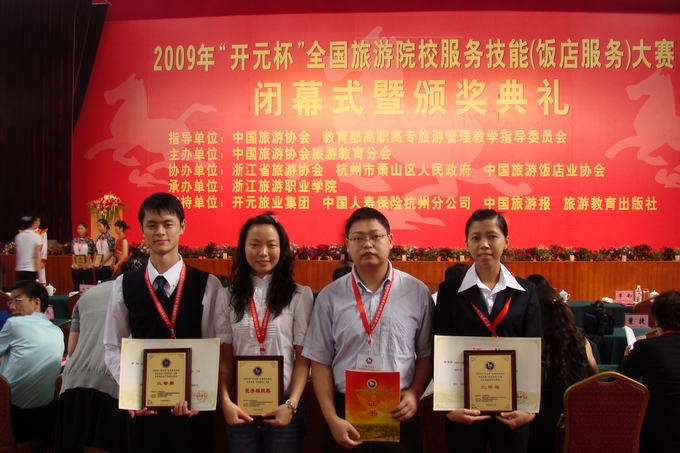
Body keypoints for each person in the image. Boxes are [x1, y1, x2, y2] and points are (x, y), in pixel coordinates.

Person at [302, 207, 435, 452]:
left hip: (399, 410)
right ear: (347, 244)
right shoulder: (329, 297)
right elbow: (319, 360)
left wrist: (415, 393)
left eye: (375, 236)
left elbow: (426, 354)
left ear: (390, 240)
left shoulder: (416, 292)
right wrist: (331, 418)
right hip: (344, 415)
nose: (367, 244)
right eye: (358, 238)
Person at [103, 192, 226, 453]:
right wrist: (132, 393)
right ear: (141, 229)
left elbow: (213, 346)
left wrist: (199, 396)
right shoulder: (124, 285)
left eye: (168, 224)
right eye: (152, 225)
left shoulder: (208, 285)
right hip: (144, 411)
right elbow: (112, 345)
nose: (160, 232)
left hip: (190, 412)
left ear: (182, 226)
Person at [433, 208, 542, 453]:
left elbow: (538, 352)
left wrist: (530, 409)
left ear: (506, 241)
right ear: (467, 243)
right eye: (476, 238)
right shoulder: (450, 291)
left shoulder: (526, 292)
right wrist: (448, 409)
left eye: (492, 236)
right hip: (465, 408)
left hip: (513, 409)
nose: (484, 244)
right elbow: (439, 348)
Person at [216, 214, 313, 453]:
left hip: (285, 408)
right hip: (241, 409)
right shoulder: (227, 296)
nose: (263, 252)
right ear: (243, 248)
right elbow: (224, 358)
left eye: (271, 245)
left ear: (282, 249)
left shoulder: (299, 296)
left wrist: (292, 405)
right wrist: (225, 401)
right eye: (254, 244)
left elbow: (303, 358)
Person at [55, 252, 149, 453]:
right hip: (113, 383)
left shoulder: (88, 295)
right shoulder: (141, 292)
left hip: (74, 382)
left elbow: (72, 349)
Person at [527, 285, 597, 453]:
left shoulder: (532, 344)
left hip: (536, 421)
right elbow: (594, 375)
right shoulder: (581, 341)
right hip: (573, 418)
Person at [0, 280, 64, 442]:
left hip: (14, 417)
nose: (12, 307)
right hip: (47, 418)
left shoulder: (14, 323)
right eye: (10, 301)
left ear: (36, 303)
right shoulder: (58, 331)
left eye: (17, 300)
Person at [617, 290, 680, 453]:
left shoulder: (645, 348)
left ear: (656, 318)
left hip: (658, 435)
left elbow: (620, 383)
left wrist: (626, 358)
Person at [14, 212, 43, 283]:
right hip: (31, 270)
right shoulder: (36, 237)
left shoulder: (18, 236)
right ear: (34, 222)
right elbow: (36, 256)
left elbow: (17, 254)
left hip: (20, 270)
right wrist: (40, 275)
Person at [71, 221, 95, 291]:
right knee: (77, 287)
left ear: (86, 230)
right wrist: (74, 264)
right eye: (78, 229)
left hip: (87, 267)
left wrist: (86, 264)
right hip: (76, 267)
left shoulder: (89, 240)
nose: (80, 230)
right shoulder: (74, 240)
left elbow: (90, 253)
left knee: (88, 286)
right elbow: (72, 253)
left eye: (82, 228)